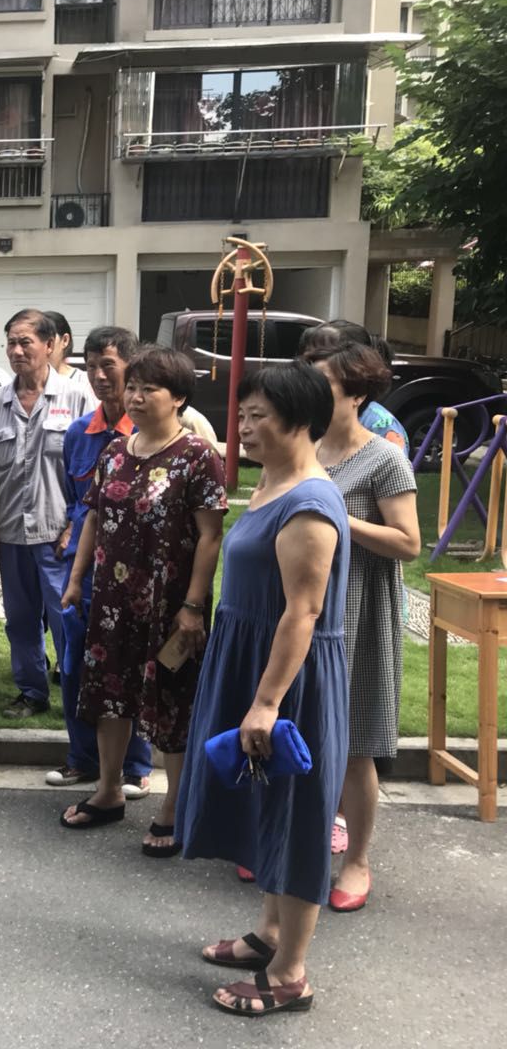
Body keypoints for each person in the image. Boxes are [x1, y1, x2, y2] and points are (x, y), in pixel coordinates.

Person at [176, 361, 349, 1017]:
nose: (242, 428)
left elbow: (303, 611)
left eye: (258, 417)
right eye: (240, 415)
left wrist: (268, 701)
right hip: (249, 656)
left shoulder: (310, 503)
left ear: (300, 421)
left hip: (289, 676)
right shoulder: (271, 483)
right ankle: (270, 932)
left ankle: (290, 974)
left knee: (297, 813)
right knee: (268, 804)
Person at [60, 346, 227, 855]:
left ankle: (174, 806)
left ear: (178, 398)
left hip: (169, 604)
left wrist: (193, 605)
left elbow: (210, 536)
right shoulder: (115, 451)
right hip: (112, 600)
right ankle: (109, 790)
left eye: (148, 389)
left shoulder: (198, 456)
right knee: (110, 695)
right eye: (132, 386)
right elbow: (93, 517)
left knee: (172, 702)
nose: (134, 396)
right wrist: (76, 579)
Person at [307, 340, 420, 912]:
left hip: (359, 611)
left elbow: (409, 543)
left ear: (355, 394)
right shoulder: (305, 446)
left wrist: (338, 518)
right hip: (303, 608)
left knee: (354, 744)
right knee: (297, 732)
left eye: (323, 386)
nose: (311, 394)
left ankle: (356, 860)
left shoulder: (384, 458)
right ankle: (297, 841)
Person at [0, 309, 93, 717]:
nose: (17, 351)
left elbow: (92, 472)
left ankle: (78, 695)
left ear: (50, 344)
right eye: (11, 343)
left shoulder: (77, 397)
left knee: (66, 618)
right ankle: (32, 692)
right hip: (10, 534)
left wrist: (74, 528)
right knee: (20, 620)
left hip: (59, 536)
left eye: (26, 342)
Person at [49, 326, 154, 796]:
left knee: (130, 665)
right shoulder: (79, 433)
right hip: (84, 568)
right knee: (75, 664)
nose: (98, 376)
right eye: (90, 366)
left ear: (131, 368)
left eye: (108, 365)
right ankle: (82, 758)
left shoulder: (151, 433)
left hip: (134, 570)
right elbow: (78, 501)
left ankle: (135, 764)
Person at [297, 320, 408, 451]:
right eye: (311, 359)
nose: (315, 365)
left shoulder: (382, 428)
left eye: (324, 355)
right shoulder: (304, 418)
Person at [44, 310, 95, 397]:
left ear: (65, 340)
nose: (42, 346)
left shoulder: (85, 382)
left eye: (48, 340)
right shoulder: (27, 384)